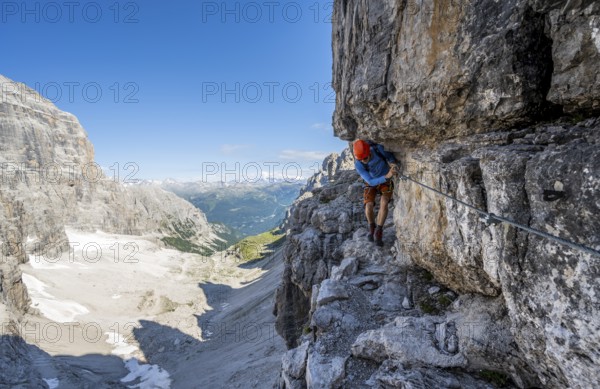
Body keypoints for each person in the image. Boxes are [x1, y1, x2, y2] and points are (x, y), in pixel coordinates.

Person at [353, 140, 398, 247]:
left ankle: (378, 231)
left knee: (384, 201)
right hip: (373, 181)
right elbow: (370, 181)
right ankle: (372, 227)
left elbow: (390, 157)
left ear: (369, 152)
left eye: (365, 158)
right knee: (368, 206)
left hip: (386, 181)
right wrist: (387, 176)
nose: (363, 161)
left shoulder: (378, 149)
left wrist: (393, 164)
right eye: (361, 159)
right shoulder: (358, 164)